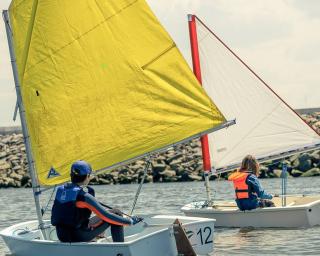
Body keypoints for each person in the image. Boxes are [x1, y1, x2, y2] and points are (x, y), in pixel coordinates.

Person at [51, 160, 143, 243]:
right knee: (116, 216)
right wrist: (130, 221)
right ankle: (120, 249)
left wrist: (111, 212)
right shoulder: (84, 196)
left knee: (113, 212)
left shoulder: (61, 190)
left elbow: (74, 216)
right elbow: (107, 217)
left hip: (62, 236)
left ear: (71, 175)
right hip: (78, 237)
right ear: (87, 176)